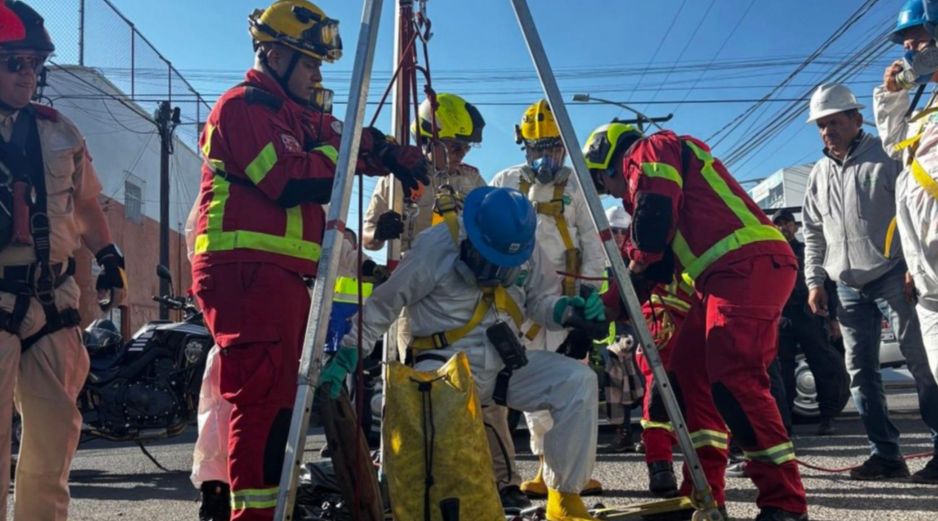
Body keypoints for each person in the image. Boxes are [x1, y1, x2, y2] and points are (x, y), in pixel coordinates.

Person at [190, 2, 428, 520]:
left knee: (281, 402)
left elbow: (340, 135)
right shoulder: (243, 107)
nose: (318, 75)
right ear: (274, 55)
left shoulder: (291, 113)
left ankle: (273, 507)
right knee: (263, 404)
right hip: (246, 274)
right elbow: (288, 179)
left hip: (277, 276)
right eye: (310, 63)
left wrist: (387, 152)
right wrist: (346, 153)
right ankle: (254, 514)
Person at [322, 187, 606, 521]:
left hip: (503, 363)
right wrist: (348, 353)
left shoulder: (528, 250)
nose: (495, 270)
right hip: (442, 365)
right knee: (449, 453)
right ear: (472, 235)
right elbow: (384, 304)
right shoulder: (435, 246)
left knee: (577, 382)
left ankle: (564, 499)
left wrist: (565, 311)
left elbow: (539, 301)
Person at [585, 120, 807, 520]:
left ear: (610, 162)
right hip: (721, 276)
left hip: (746, 264)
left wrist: (625, 283)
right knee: (687, 373)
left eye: (603, 183)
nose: (612, 194)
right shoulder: (656, 188)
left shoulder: (652, 149)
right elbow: (652, 263)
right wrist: (606, 308)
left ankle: (785, 503)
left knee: (735, 378)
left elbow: (652, 223)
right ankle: (703, 494)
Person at [0, 2, 126, 520]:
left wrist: (109, 255)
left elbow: (88, 204)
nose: (28, 74)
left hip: (52, 301)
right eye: (14, 63)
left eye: (35, 64)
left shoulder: (60, 131)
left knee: (55, 436)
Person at [805, 81, 938, 483]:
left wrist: (914, 264)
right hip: (846, 286)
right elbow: (814, 232)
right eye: (821, 125)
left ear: (856, 118)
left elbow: (915, 208)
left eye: (834, 121)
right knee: (861, 373)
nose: (827, 131)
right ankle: (885, 455)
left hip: (894, 276)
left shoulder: (888, 155)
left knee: (923, 364)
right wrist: (815, 281)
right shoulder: (818, 174)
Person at [490, 99, 606, 500]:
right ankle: (546, 467)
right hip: (517, 300)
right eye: (538, 148)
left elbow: (593, 241)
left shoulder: (578, 186)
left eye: (553, 148)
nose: (545, 158)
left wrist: (590, 296)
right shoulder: (505, 180)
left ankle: (572, 474)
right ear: (525, 147)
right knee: (533, 391)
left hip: (567, 303)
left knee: (571, 387)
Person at [873, 0, 938, 483]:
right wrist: (893, 93)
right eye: (906, 39)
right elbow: (892, 140)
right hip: (928, 267)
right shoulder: (924, 109)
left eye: (919, 35)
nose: (910, 46)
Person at [771, 208, 848, 436]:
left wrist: (833, 319)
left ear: (795, 227)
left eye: (788, 223)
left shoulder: (808, 252)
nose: (783, 228)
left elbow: (828, 285)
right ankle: (785, 424)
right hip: (782, 318)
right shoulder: (771, 253)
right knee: (782, 374)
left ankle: (827, 418)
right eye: (779, 224)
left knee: (823, 367)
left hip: (810, 316)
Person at [598, 206, 643, 455]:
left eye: (620, 231)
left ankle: (652, 434)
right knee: (615, 387)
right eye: (612, 230)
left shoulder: (633, 260)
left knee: (643, 382)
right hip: (608, 334)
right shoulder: (598, 260)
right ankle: (623, 434)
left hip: (632, 330)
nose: (616, 235)